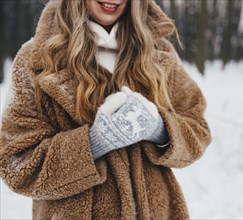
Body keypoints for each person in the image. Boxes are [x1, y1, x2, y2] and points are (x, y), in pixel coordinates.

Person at [0, 0, 211, 219]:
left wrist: (159, 129)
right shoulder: (36, 58)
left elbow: (198, 129)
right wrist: (94, 143)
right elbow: (15, 164)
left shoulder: (159, 52)